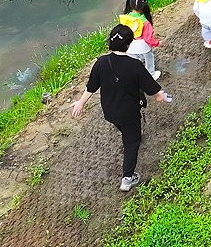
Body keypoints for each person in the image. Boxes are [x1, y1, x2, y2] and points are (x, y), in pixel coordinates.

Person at [71, 24, 172, 192]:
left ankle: (128, 135)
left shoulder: (101, 62)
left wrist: (80, 103)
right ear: (129, 44)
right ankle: (127, 178)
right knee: (132, 143)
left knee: (126, 131)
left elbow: (91, 86)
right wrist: (161, 95)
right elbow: (152, 88)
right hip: (129, 113)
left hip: (110, 112)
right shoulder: (135, 65)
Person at [118, 0, 160, 79]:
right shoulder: (144, 22)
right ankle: (151, 74)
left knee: (133, 62)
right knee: (149, 59)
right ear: (144, 7)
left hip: (129, 46)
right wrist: (157, 43)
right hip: (143, 47)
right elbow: (148, 39)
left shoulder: (125, 18)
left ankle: (134, 75)